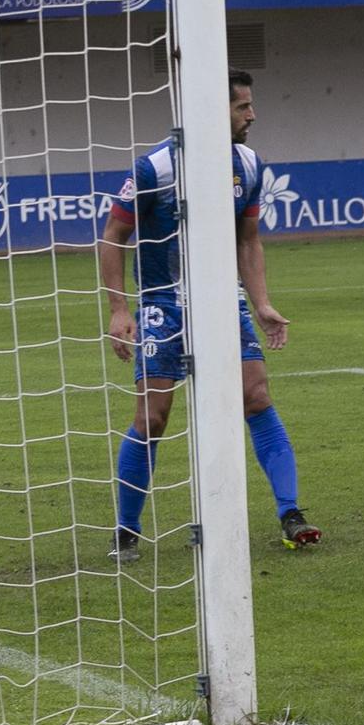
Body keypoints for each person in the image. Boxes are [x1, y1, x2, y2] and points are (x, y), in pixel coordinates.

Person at [98, 69, 321, 563]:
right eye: (243, 106)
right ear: (211, 109)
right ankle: (126, 529)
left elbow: (249, 240)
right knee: (152, 417)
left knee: (256, 395)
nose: (252, 115)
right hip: (162, 304)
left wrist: (261, 303)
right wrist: (119, 310)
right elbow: (113, 236)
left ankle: (292, 513)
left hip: (225, 302)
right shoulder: (155, 168)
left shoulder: (248, 164)